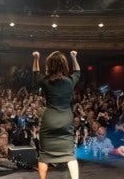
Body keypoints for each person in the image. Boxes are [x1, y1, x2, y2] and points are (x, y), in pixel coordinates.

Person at [32, 50, 80, 179]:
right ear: (64, 65)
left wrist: (36, 58)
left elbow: (36, 73)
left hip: (50, 119)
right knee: (69, 154)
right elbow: (77, 72)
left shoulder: (46, 81)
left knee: (44, 154)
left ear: (49, 65)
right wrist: (74, 57)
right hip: (66, 118)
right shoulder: (70, 81)